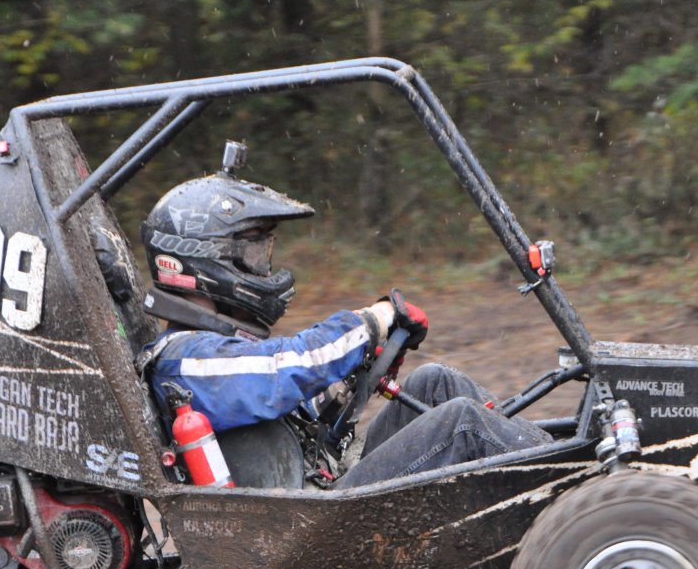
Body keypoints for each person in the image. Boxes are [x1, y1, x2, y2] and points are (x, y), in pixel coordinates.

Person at [138, 142, 550, 488]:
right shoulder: (185, 361)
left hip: (322, 491)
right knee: (461, 423)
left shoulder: (216, 354)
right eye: (252, 253)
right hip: (302, 530)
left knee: (434, 383)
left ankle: (557, 460)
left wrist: (365, 364)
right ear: (200, 263)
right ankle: (563, 492)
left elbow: (295, 422)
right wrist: (369, 323)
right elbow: (284, 369)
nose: (265, 268)